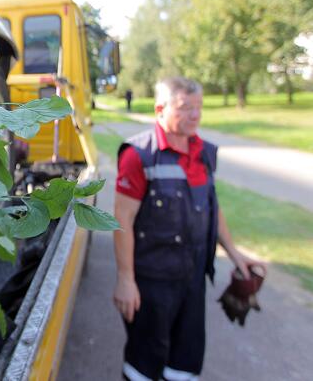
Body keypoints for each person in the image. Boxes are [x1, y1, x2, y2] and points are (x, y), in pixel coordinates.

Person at [112, 76, 265, 381]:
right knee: (145, 362)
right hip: (152, 284)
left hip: (193, 280)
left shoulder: (204, 152)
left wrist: (235, 254)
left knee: (185, 360)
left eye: (199, 107)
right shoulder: (138, 156)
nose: (195, 115)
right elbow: (122, 221)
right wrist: (126, 280)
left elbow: (211, 207)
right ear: (160, 109)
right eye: (184, 108)